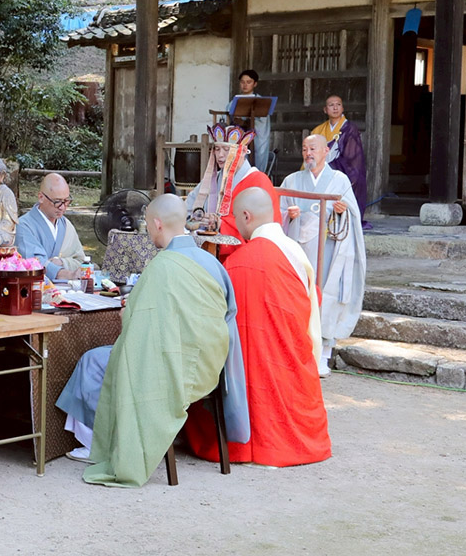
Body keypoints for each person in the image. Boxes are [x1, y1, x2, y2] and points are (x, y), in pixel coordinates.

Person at [56, 195, 248, 488]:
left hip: (171, 368)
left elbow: (137, 330)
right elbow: (227, 316)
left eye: (147, 226)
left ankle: (101, 444)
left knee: (92, 360)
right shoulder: (213, 263)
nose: (148, 232)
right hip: (210, 364)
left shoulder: (162, 267)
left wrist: (126, 312)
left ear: (157, 224)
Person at [184, 189, 332, 467]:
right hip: (290, 364)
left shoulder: (238, 263)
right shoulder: (295, 251)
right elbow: (311, 308)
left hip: (248, 369)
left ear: (246, 216)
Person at [280, 134, 367, 376]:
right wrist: (289, 214)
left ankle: (324, 354)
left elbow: (351, 213)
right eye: (305, 149)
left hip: (328, 247)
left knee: (325, 297)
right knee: (299, 297)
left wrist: (341, 211)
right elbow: (279, 210)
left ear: (326, 152)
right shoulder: (292, 180)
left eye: (314, 149)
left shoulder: (339, 180)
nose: (309, 153)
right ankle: (299, 353)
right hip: (299, 248)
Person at [185, 123, 280, 259]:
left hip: (246, 254)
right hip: (209, 251)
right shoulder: (213, 179)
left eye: (226, 149)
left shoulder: (257, 179)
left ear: (242, 151)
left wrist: (220, 223)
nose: (220, 155)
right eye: (217, 149)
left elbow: (262, 225)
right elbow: (190, 207)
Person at [16, 173, 86, 281]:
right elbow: (33, 262)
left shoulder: (66, 225)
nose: (62, 207)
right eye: (57, 202)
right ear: (41, 197)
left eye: (66, 201)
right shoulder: (24, 225)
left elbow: (81, 260)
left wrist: (63, 262)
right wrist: (64, 274)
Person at [311, 95, 368, 225]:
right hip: (322, 170)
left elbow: (352, 157)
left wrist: (331, 166)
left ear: (343, 108)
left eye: (338, 104)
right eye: (331, 105)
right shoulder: (318, 130)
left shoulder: (349, 129)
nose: (335, 108)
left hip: (343, 170)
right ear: (325, 110)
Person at [234, 70, 272, 173]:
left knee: (258, 154)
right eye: (242, 82)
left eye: (249, 82)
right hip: (240, 136)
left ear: (255, 84)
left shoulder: (261, 102)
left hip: (256, 136)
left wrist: (249, 122)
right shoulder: (235, 100)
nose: (245, 85)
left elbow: (263, 122)